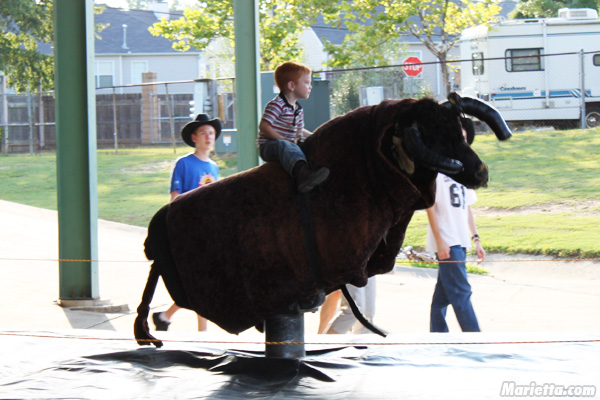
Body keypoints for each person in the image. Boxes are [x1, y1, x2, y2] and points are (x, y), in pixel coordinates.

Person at [152, 113, 222, 332]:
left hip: (206, 231)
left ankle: (165, 317)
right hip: (189, 230)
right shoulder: (184, 163)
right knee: (200, 282)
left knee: (201, 282)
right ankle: (201, 331)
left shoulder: (214, 167)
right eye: (203, 133)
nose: (208, 137)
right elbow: (175, 198)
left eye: (211, 133)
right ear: (194, 137)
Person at [426, 129, 486, 332]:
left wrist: (476, 238)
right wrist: (439, 241)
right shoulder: (435, 168)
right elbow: (430, 206)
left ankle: (437, 338)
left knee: (442, 298)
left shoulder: (463, 169)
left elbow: (467, 207)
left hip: (461, 240)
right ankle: (476, 341)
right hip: (448, 240)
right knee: (462, 293)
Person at [258, 61, 329, 193]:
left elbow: (299, 131)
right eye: (307, 82)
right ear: (291, 85)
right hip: (270, 147)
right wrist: (282, 139)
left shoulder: (298, 109)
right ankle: (302, 175)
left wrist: (316, 136)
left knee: (302, 145)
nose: (310, 87)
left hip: (288, 146)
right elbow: (264, 126)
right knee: (284, 145)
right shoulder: (276, 105)